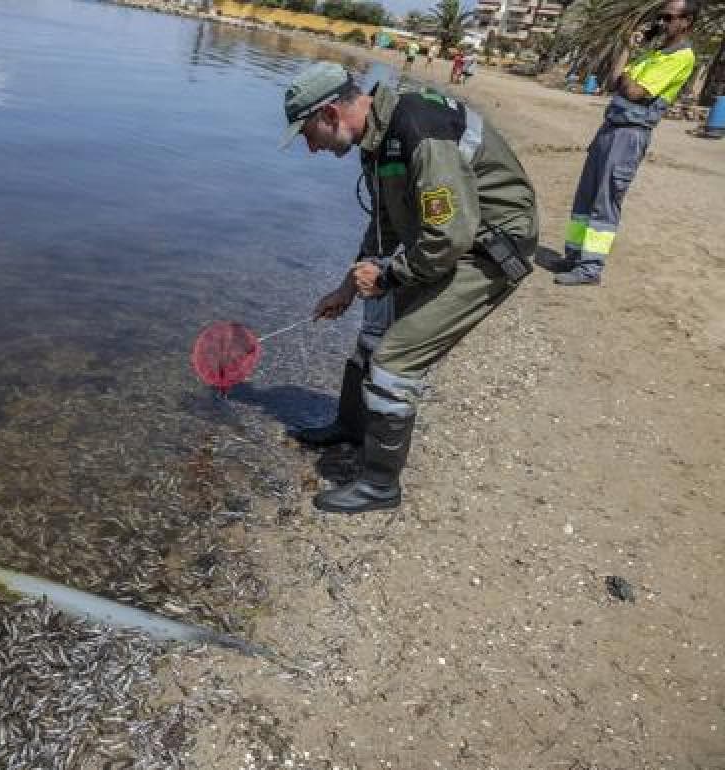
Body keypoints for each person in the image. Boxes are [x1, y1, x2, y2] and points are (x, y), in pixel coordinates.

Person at [279, 61, 539, 513]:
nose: (310, 147)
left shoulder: (419, 129)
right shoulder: (376, 138)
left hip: (490, 248)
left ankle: (380, 484)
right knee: (373, 326)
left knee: (397, 357)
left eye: (307, 134)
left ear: (328, 115)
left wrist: (389, 276)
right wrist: (348, 286)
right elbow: (385, 227)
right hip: (448, 238)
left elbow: (450, 236)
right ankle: (350, 426)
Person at [544, 0, 698, 286]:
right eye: (659, 16)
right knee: (586, 195)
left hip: (630, 134)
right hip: (610, 127)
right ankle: (573, 256)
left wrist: (626, 80)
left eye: (668, 17)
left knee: (606, 201)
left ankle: (590, 268)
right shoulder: (655, 52)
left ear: (686, 21)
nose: (661, 22)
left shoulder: (682, 57)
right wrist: (628, 47)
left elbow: (636, 92)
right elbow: (615, 79)